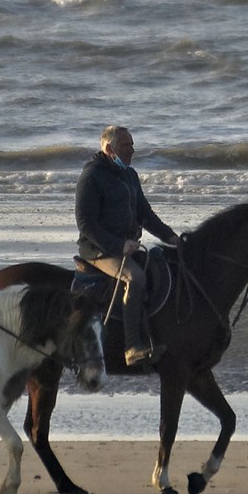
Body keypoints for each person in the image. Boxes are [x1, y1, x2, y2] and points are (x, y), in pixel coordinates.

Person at [75, 125, 178, 365]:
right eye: (126, 146)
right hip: (98, 251)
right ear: (109, 148)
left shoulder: (129, 175)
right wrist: (117, 245)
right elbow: (85, 223)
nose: (132, 150)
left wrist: (170, 236)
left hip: (128, 246)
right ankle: (132, 347)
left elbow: (144, 213)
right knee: (136, 278)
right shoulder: (91, 177)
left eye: (132, 145)